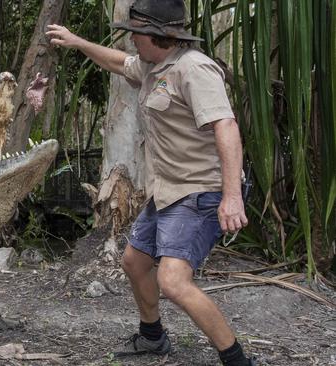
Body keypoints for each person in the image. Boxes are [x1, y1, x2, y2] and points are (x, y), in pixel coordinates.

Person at [46, 0, 254, 365]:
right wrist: (76, 41)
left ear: (158, 35)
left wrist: (232, 196)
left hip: (200, 191)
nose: (132, 42)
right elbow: (116, 62)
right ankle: (153, 338)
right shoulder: (154, 66)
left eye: (136, 34)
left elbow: (227, 126)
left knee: (173, 282)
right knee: (135, 261)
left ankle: (237, 360)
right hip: (167, 191)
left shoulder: (194, 69)